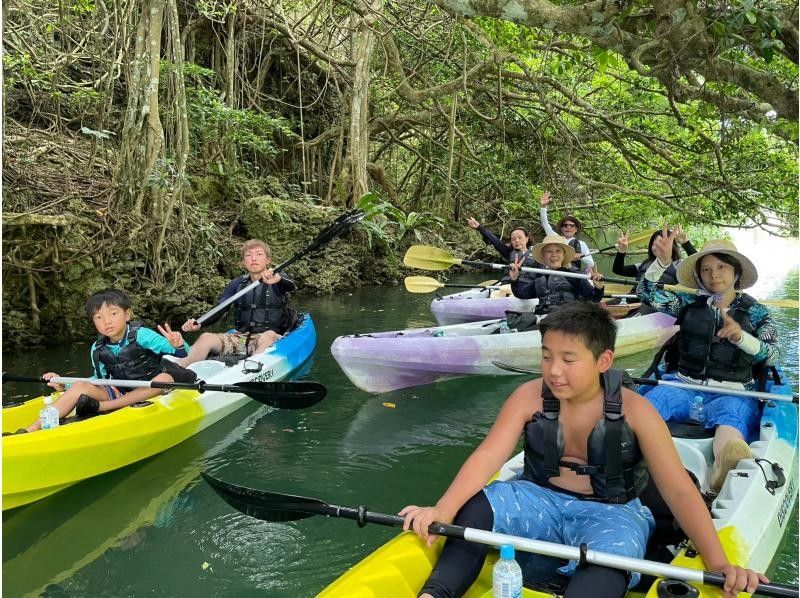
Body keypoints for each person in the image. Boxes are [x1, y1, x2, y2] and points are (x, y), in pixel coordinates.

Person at [399, 301, 768, 598]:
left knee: (612, 558)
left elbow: (677, 490)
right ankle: (436, 593)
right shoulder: (528, 396)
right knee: (476, 507)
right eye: (547, 356)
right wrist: (442, 509)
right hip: (536, 497)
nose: (554, 371)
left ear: (603, 361)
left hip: (612, 512)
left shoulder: (637, 411)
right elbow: (488, 456)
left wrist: (718, 564)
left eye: (568, 359)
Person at [636, 228, 780, 493]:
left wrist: (741, 338)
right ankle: (634, 458)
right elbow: (645, 292)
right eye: (706, 269)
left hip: (733, 392)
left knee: (730, 423)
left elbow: (773, 355)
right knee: (646, 410)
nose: (714, 274)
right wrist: (663, 262)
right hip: (682, 384)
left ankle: (725, 466)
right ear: (699, 276)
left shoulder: (758, 312)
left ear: (736, 273)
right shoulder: (687, 303)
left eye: (722, 267)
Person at [24, 288, 194, 433]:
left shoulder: (142, 335)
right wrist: (65, 385)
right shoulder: (97, 349)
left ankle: (103, 407)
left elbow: (182, 354)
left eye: (113, 313)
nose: (106, 321)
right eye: (99, 317)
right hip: (121, 391)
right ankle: (30, 430)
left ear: (127, 314)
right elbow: (99, 380)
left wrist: (178, 344)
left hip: (153, 387)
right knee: (80, 386)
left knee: (163, 379)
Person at [173, 239, 296, 368]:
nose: (253, 258)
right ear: (243, 262)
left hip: (269, 338)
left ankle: (249, 369)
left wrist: (278, 279)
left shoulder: (278, 278)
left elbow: (290, 286)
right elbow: (220, 309)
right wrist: (199, 323)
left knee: (269, 336)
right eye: (248, 255)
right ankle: (180, 368)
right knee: (205, 337)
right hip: (241, 338)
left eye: (259, 254)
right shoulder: (236, 284)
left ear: (268, 260)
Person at [509, 234, 604, 315]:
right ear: (543, 256)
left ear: (563, 255)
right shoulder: (540, 278)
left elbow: (594, 298)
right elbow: (521, 294)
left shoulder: (574, 276)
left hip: (568, 321)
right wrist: (514, 280)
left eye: (558, 251)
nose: (554, 254)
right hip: (545, 320)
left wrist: (599, 288)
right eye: (549, 251)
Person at [612, 225, 697, 314]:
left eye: (662, 243)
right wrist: (621, 251)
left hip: (654, 304)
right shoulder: (645, 264)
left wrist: (685, 243)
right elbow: (618, 270)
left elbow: (699, 266)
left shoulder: (679, 264)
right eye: (654, 244)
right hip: (631, 298)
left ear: (672, 246)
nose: (657, 246)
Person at [465, 218, 539, 285]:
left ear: (527, 239)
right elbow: (494, 240)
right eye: (513, 239)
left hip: (528, 286)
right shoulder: (508, 252)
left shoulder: (537, 254)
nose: (517, 241)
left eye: (520, 238)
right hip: (509, 284)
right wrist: (479, 227)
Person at [539, 191, 594, 271]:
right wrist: (543, 207)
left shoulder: (582, 244)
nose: (568, 227)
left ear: (576, 229)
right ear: (561, 229)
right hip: (557, 271)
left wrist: (581, 256)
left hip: (572, 274)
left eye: (572, 225)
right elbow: (545, 224)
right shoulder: (555, 238)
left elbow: (591, 263)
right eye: (565, 225)